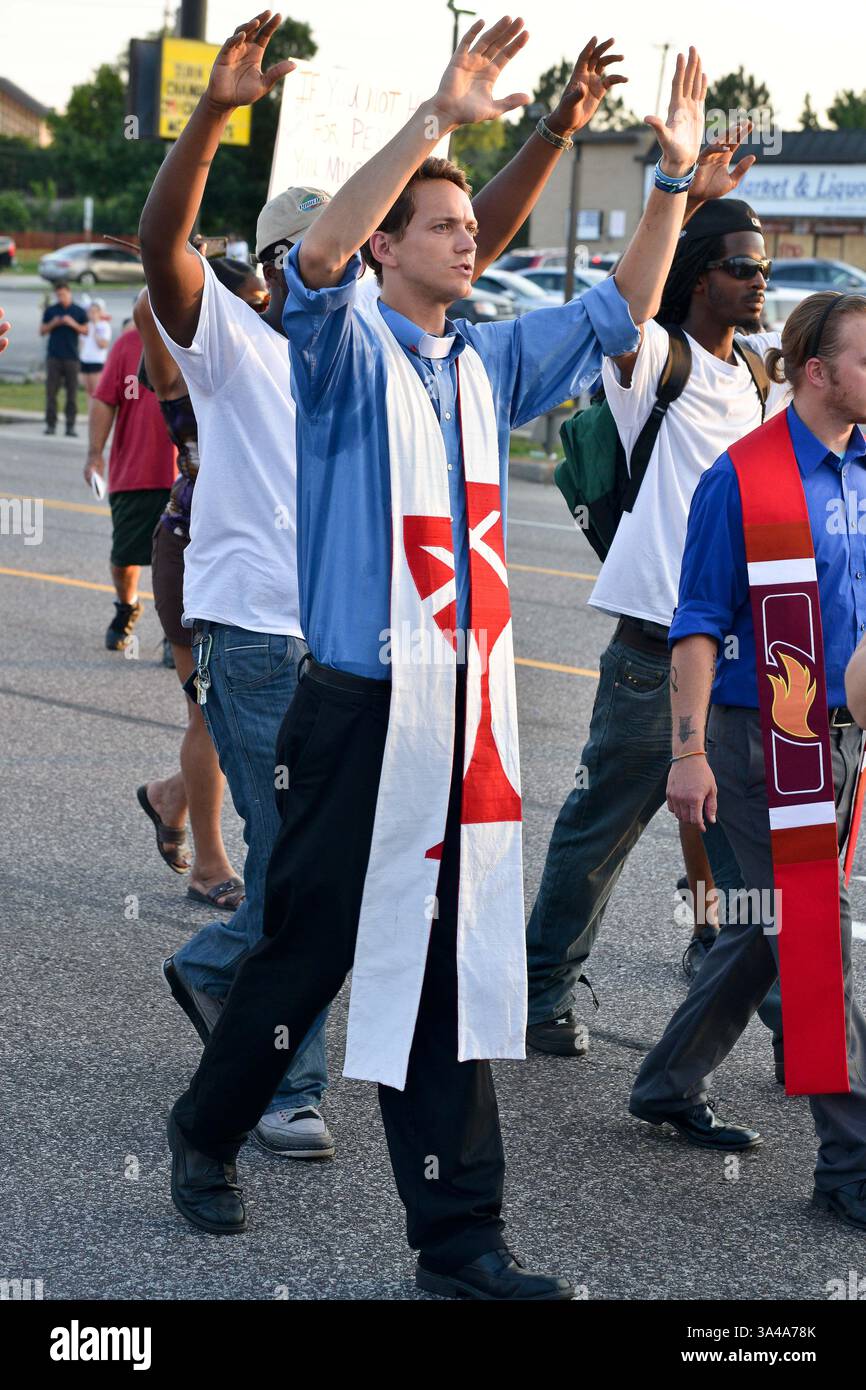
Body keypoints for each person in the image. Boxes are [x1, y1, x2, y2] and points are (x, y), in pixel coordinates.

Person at [165, 15, 706, 1299]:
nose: (470, 236)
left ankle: (457, 1237)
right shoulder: (342, 350)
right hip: (353, 711)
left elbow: (622, 306)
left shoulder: (485, 361)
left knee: (448, 964)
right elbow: (313, 254)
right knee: (305, 955)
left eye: (469, 222)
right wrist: (435, 116)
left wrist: (669, 178)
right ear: (390, 251)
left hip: (463, 721)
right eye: (444, 223)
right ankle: (204, 1129)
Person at [524, 187, 795, 1060]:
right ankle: (539, 991)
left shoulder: (756, 376)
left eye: (764, 266)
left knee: (761, 865)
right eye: (740, 266)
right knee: (598, 836)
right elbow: (625, 297)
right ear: (696, 277)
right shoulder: (652, 363)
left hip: (742, 664)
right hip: (652, 654)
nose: (758, 280)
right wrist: (681, 192)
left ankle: (800, 1026)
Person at [629, 292, 866, 1232]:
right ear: (817, 372)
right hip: (755, 739)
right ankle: (851, 1164)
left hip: (837, 739)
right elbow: (694, 626)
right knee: (812, 931)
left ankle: (664, 1082)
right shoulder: (744, 478)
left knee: (765, 927)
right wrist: (687, 754)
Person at [133, 276, 252, 913]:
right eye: (247, 303)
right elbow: (146, 307)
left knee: (256, 713)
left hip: (267, 559)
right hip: (193, 551)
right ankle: (210, 865)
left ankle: (170, 794)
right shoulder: (185, 370)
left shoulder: (271, 353)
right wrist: (180, 264)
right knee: (209, 714)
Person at [85, 324, 177, 651]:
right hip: (134, 473)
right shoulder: (127, 345)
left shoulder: (199, 335)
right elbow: (104, 400)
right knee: (124, 558)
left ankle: (176, 633)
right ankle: (127, 606)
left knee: (184, 560)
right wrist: (95, 455)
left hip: (187, 475)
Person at [41, 283, 88, 437]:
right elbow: (42, 331)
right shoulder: (51, 310)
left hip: (72, 358)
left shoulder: (78, 311)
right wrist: (53, 323)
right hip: (54, 357)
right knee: (51, 392)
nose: (61, 297)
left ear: (69, 293)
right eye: (58, 295)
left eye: (63, 294)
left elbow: (86, 330)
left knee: (72, 393)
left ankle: (70, 426)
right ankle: (51, 424)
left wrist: (72, 323)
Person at [79, 300, 112, 399]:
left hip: (96, 361)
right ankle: (90, 413)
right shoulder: (86, 326)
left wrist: (96, 329)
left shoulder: (103, 326)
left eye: (94, 312)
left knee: (96, 391)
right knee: (88, 391)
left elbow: (103, 344)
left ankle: (96, 413)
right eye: (90, 312)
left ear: (99, 313)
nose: (92, 314)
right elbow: (82, 343)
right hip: (85, 360)